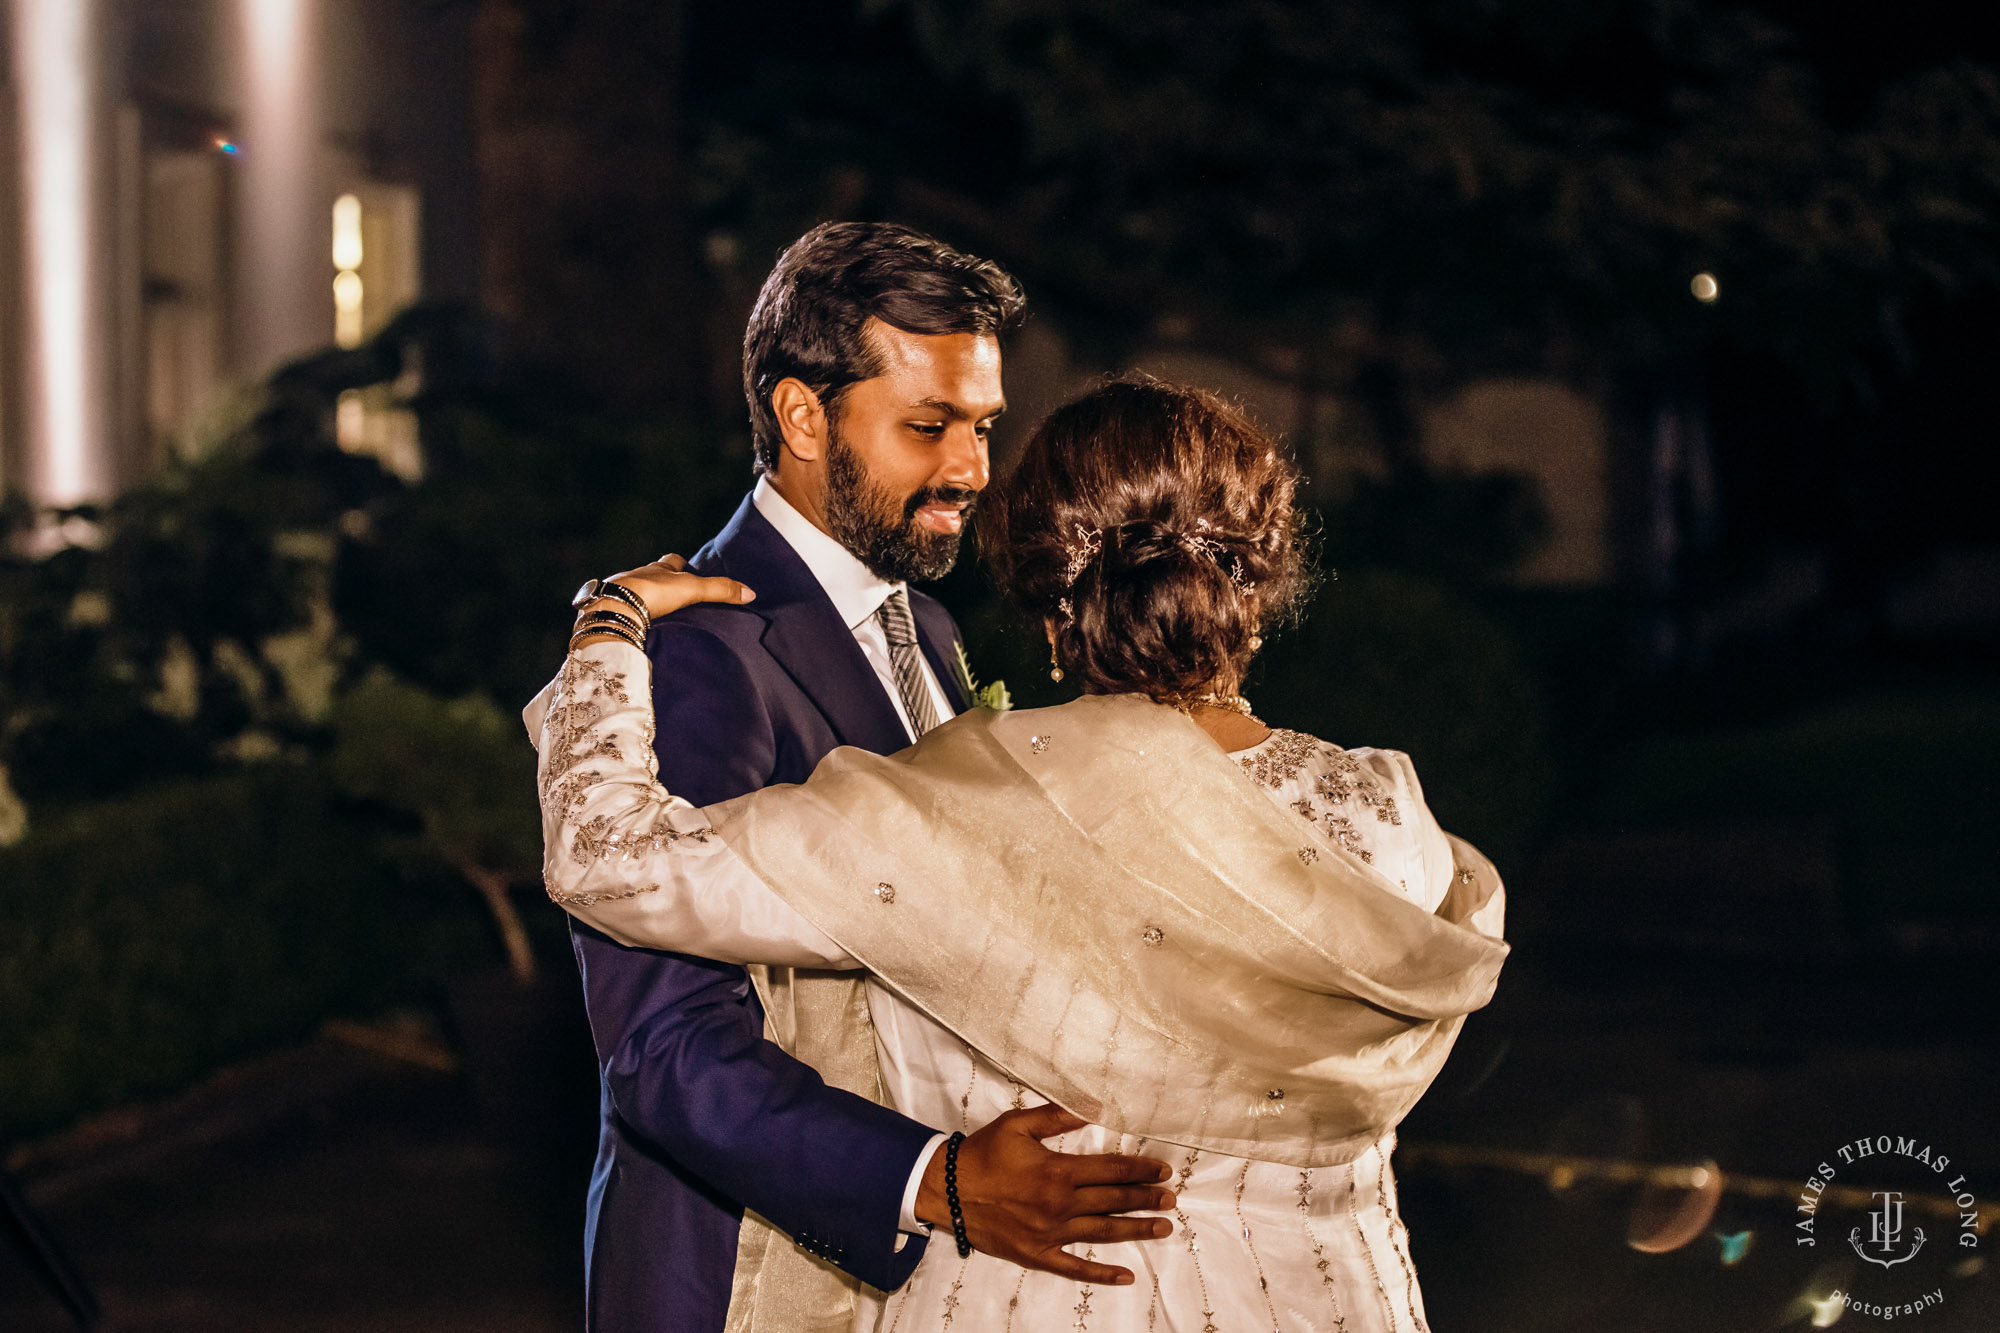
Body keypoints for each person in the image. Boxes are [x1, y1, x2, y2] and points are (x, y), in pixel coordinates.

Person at [534, 376, 1509, 1331]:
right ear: (1253, 585)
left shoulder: (961, 805)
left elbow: (608, 860)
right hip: (1335, 1295)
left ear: (1050, 602)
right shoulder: (1386, 815)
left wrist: (610, 629)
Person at [562, 223, 1178, 1333]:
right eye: (928, 427)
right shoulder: (708, 648)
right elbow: (664, 1046)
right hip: (739, 1275)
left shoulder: (926, 624)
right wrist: (928, 1178)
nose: (970, 471)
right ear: (802, 415)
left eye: (982, 427)